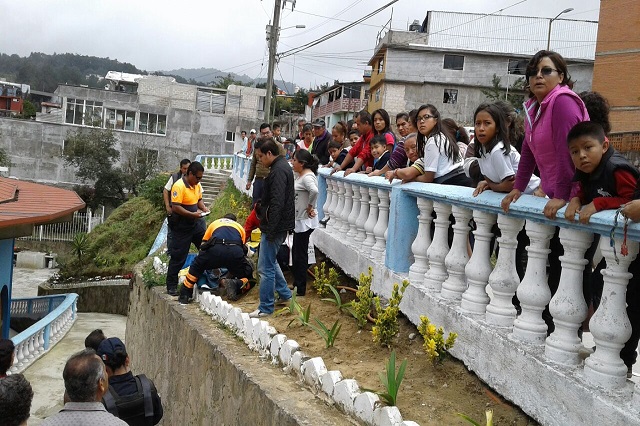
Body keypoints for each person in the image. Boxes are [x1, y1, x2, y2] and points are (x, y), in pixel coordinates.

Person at [563, 121, 640, 376]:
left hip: (633, 250)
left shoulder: (617, 169)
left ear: (605, 145)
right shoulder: (588, 170)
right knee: (600, 284)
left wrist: (599, 203)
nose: (582, 155)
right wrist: (576, 199)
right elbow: (583, 193)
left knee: (632, 302)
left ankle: (625, 359)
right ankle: (605, 348)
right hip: (621, 251)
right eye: (575, 151)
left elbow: (630, 201)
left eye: (588, 148)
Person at [249, 138, 294, 318]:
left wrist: (271, 229)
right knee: (270, 261)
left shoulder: (278, 171)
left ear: (269, 153)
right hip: (277, 224)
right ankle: (284, 294)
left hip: (275, 226)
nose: (259, 160)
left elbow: (277, 203)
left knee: (265, 267)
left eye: (261, 156)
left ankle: (266, 307)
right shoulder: (280, 167)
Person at [179, 214, 255, 304]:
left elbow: (203, 245)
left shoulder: (215, 223)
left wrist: (203, 260)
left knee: (196, 266)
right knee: (248, 272)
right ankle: (237, 283)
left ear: (222, 218)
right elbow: (242, 248)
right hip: (234, 252)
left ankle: (185, 294)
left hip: (215, 250)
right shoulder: (239, 227)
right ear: (235, 221)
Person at [42, 349, 128, 425]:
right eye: (105, 370)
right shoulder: (118, 424)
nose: (107, 374)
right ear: (101, 384)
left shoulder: (46, 424)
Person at [165, 161, 208, 296]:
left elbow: (199, 199)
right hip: (181, 225)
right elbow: (176, 207)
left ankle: (207, 278)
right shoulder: (179, 186)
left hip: (195, 224)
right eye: (197, 177)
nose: (199, 180)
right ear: (190, 174)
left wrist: (204, 208)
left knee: (205, 246)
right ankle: (171, 285)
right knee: (179, 256)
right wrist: (192, 214)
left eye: (201, 178)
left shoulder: (196, 185)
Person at [97, 337, 163, 425]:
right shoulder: (148, 387)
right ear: (127, 360)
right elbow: (157, 416)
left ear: (104, 369)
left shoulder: (101, 397)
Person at [411, 104, 471, 186]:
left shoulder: (434, 141)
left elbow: (428, 178)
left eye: (426, 117)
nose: (422, 121)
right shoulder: (442, 136)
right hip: (462, 180)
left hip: (454, 182)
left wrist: (413, 179)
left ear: (435, 120)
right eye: (419, 119)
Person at [291, 150, 320, 296]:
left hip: (304, 221)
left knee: (300, 255)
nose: (292, 162)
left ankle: (300, 288)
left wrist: (310, 207)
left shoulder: (307, 177)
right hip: (300, 219)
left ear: (301, 163)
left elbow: (314, 191)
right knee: (297, 253)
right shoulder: (301, 174)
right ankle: (297, 284)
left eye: (294, 160)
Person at [369, 111, 415, 177]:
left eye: (403, 124)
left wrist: (379, 172)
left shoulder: (400, 139)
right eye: (398, 125)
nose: (400, 128)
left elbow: (393, 161)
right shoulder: (378, 136)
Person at [332, 110, 374, 176]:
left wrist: (353, 169)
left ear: (366, 123)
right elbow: (353, 151)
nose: (357, 127)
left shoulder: (372, 135)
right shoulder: (364, 136)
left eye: (358, 124)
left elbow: (365, 153)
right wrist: (340, 167)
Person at [246, 123, 274, 208]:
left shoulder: (277, 146)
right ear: (260, 134)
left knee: (267, 205)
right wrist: (249, 180)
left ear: (271, 133)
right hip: (258, 180)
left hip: (270, 180)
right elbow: (253, 164)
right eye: (263, 133)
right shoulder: (257, 147)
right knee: (255, 205)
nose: (265, 135)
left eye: (267, 133)